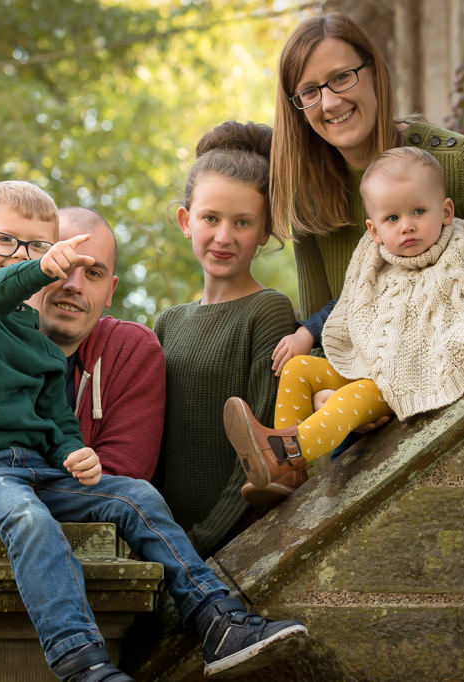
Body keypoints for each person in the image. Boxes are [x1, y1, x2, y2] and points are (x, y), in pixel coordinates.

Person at [0, 180, 308, 681]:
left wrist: (74, 452)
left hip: (33, 470)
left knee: (135, 496)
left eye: (35, 248)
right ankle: (83, 665)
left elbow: (56, 421)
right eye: (4, 241)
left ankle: (216, 619)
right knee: (26, 517)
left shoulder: (40, 345)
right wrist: (37, 269)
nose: (18, 257)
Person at [225, 147, 464, 494]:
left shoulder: (463, 256)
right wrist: (307, 331)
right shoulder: (375, 265)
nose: (407, 225)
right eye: (392, 219)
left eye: (419, 211)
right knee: (299, 370)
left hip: (410, 375)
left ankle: (283, 452)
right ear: (375, 231)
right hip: (372, 365)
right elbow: (350, 305)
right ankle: (288, 476)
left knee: (353, 397)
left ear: (446, 211)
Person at [267, 12, 464, 376]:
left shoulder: (458, 162)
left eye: (342, 78)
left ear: (375, 73)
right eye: (310, 91)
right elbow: (326, 336)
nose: (329, 102)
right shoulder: (310, 200)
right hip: (368, 397)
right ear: (296, 108)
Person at [154, 121, 300, 551]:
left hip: (229, 546)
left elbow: (260, 449)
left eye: (242, 223)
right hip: (162, 540)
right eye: (210, 218)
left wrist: (202, 543)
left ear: (265, 233)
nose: (223, 237)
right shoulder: (166, 323)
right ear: (186, 221)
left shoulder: (268, 312)